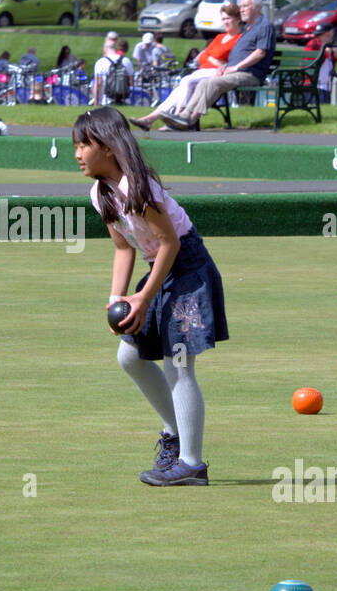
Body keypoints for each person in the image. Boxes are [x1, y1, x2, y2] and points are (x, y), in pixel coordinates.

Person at [72, 106, 228, 486]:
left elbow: (170, 242)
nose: (77, 153)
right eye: (74, 145)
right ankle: (176, 433)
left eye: (83, 145)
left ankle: (192, 464)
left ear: (108, 147)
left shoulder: (137, 187)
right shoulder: (101, 193)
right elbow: (124, 248)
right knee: (130, 356)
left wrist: (143, 298)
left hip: (188, 266)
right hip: (161, 266)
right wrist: (117, 296)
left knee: (178, 363)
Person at [128, 4, 244, 130]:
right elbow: (201, 57)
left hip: (217, 73)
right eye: (223, 19)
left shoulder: (240, 39)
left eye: (228, 19)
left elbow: (232, 61)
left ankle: (176, 116)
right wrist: (214, 59)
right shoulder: (219, 37)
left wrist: (212, 59)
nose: (225, 22)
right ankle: (151, 119)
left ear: (237, 19)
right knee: (179, 90)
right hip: (203, 71)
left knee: (187, 81)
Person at [90, 32, 136, 106]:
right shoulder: (126, 60)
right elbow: (131, 83)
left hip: (106, 100)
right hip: (124, 100)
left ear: (105, 49)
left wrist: (96, 102)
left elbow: (98, 83)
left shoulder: (101, 62)